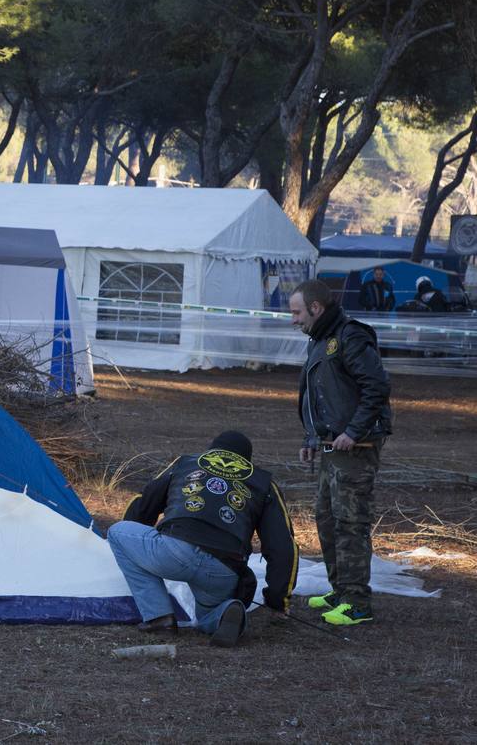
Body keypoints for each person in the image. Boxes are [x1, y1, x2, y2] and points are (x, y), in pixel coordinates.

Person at [107, 431, 297, 648]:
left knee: (117, 533)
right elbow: (283, 548)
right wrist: (277, 601)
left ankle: (159, 616)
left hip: (175, 551)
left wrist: (138, 549)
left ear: (211, 450)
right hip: (224, 569)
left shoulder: (186, 463)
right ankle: (226, 613)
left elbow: (144, 504)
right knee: (208, 614)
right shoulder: (264, 483)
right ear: (247, 460)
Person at [290, 278, 392, 626]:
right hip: (331, 447)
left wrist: (353, 431)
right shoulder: (319, 341)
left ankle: (357, 603)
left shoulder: (351, 336)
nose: (294, 319)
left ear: (316, 308)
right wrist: (310, 438)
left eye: (297, 312)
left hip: (356, 449)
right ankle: (340, 590)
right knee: (327, 518)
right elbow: (316, 397)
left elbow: (376, 387)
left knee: (351, 523)